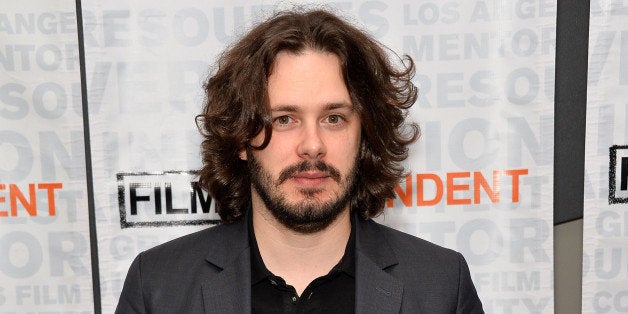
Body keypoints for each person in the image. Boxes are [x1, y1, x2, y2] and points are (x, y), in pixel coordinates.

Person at [116, 8, 483, 314]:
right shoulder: (158, 288)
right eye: (284, 119)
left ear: (365, 136)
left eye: (334, 118)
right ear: (243, 137)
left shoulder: (441, 287)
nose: (313, 145)